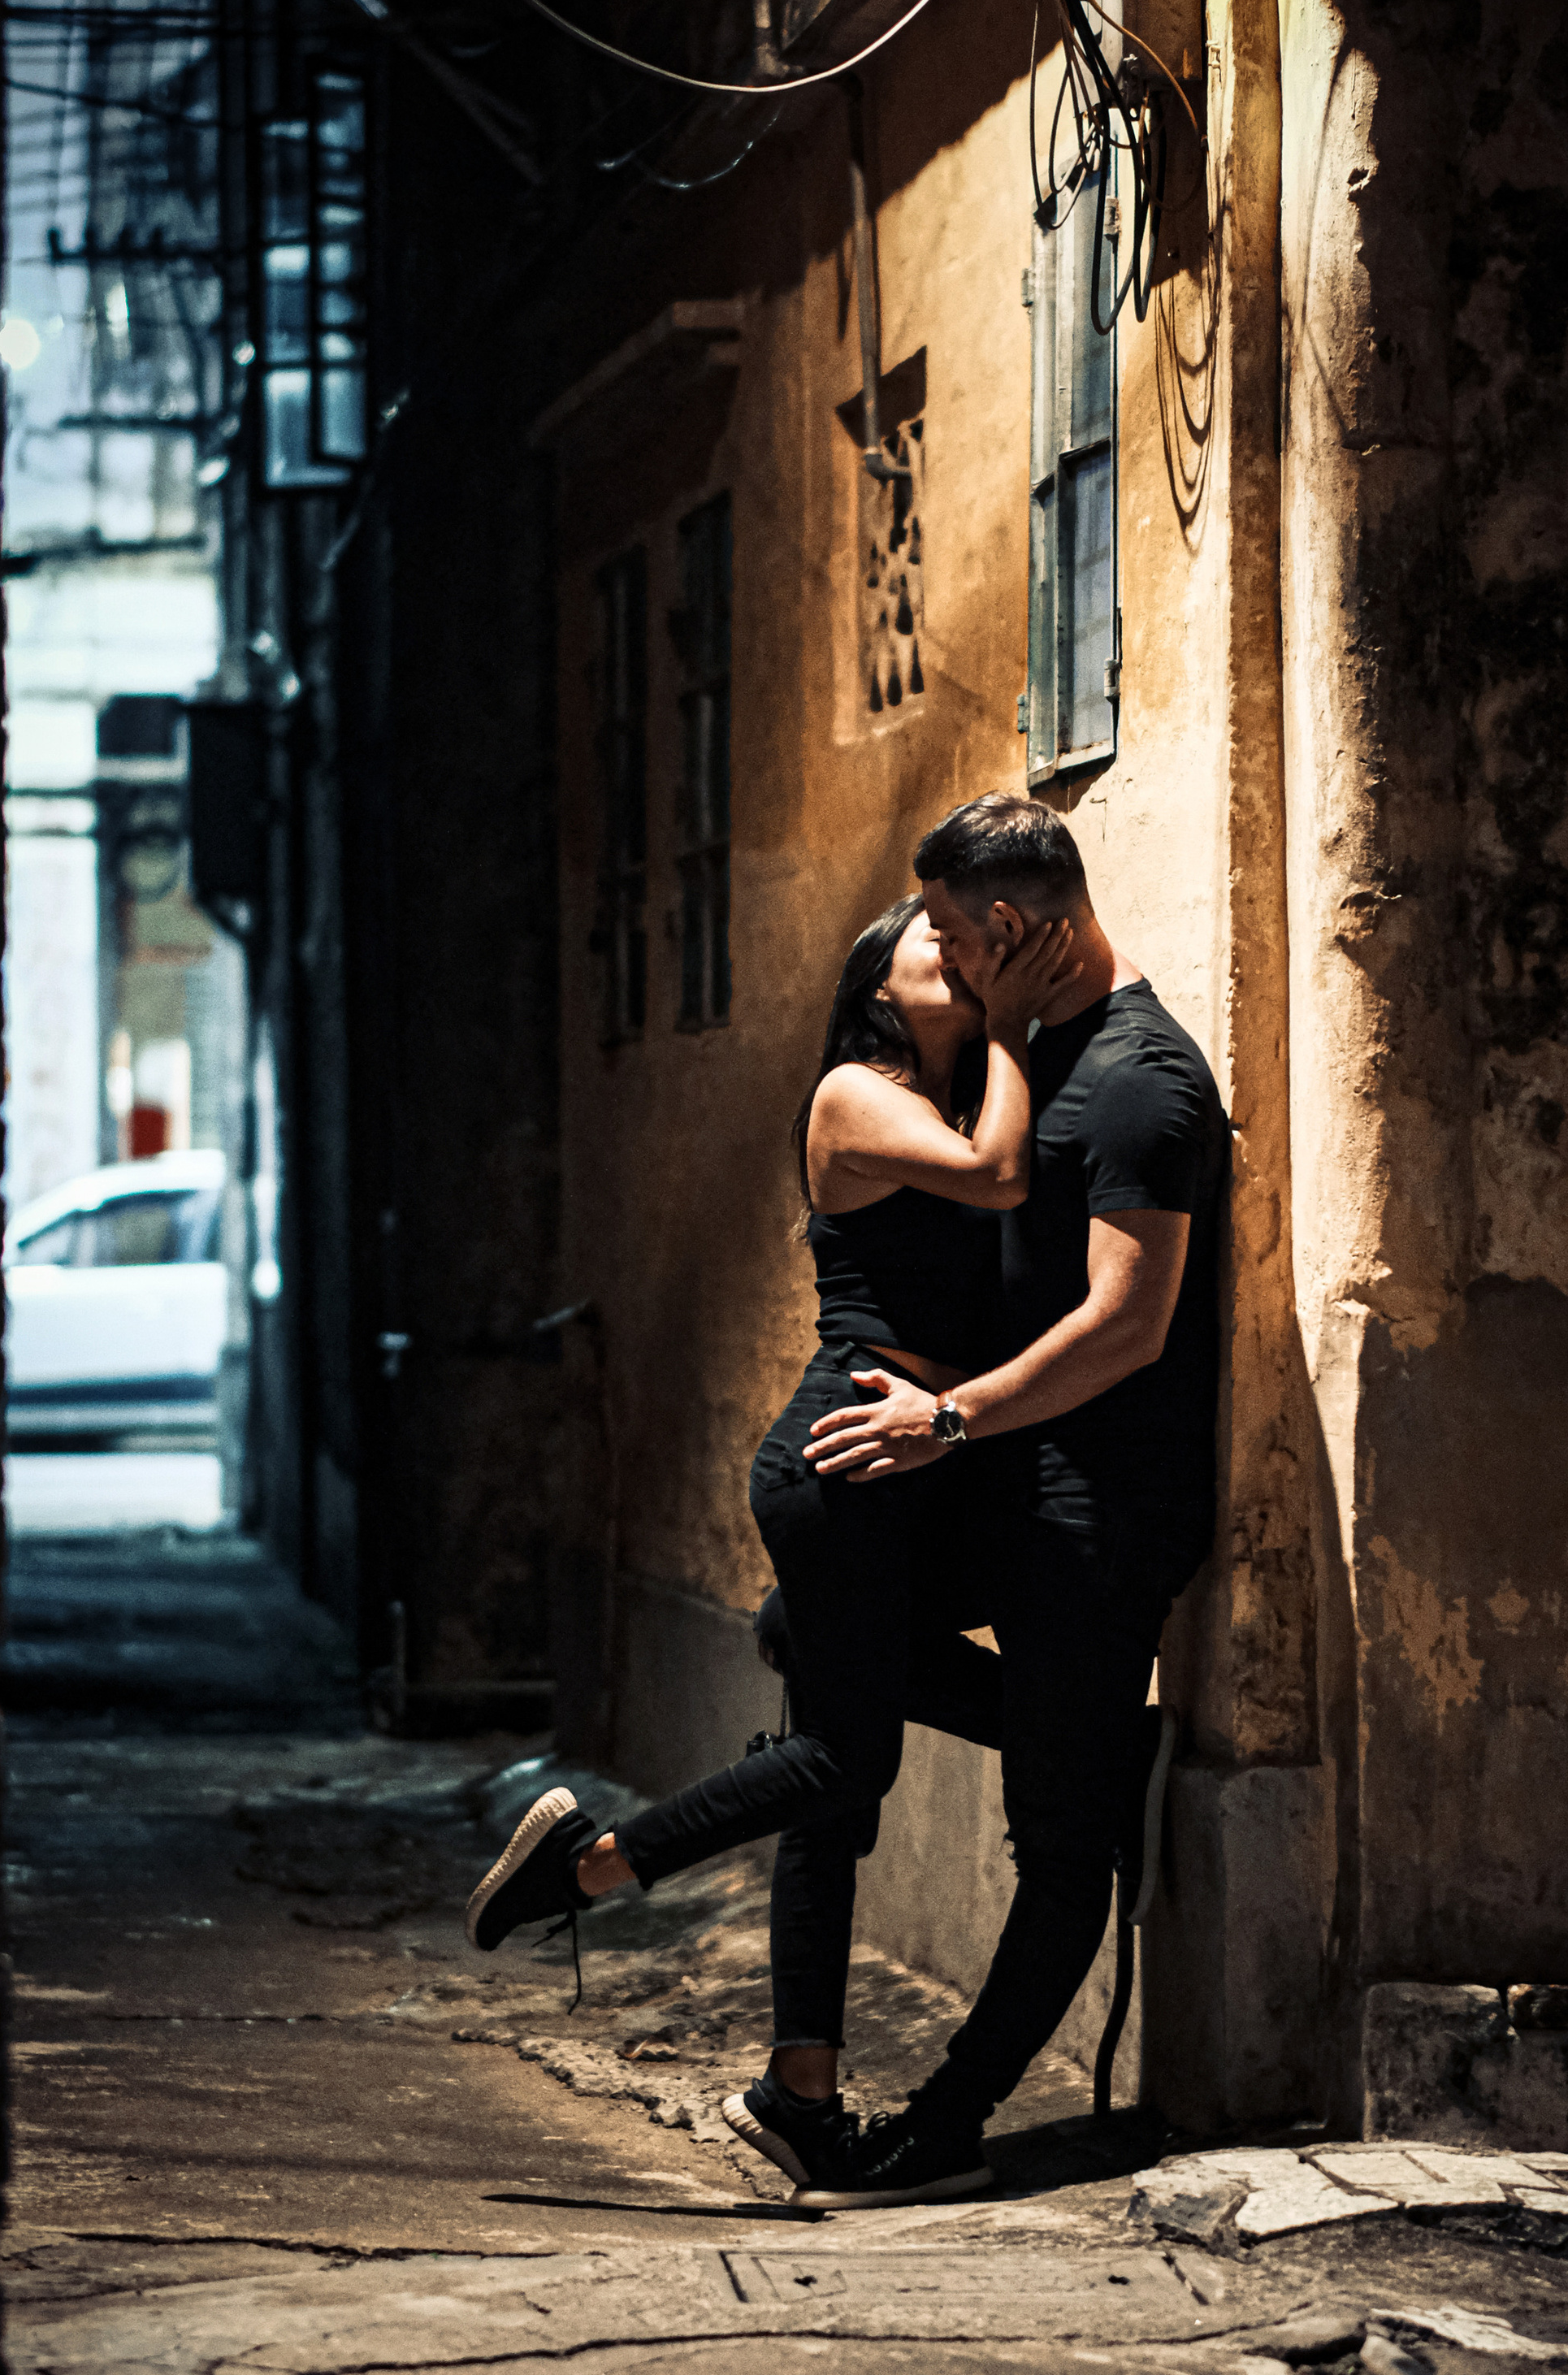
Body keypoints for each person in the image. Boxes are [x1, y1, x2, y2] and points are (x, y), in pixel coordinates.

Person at [461, 891, 1075, 2194]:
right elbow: (999, 1178)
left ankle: (799, 2097)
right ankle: (589, 1864)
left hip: (914, 1472)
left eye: (966, 935)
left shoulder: (968, 1095)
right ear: (876, 990)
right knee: (844, 1756)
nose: (957, 948)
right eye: (929, 939)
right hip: (843, 1461)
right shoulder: (856, 1093)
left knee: (836, 1774)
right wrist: (1017, 1022)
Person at [794, 791, 1228, 2208]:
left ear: (1003, 926)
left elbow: (1127, 1326)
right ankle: (1107, 1742)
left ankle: (950, 2122)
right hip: (1013, 1489)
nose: (930, 949)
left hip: (1098, 1510)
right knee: (811, 1635)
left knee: (1058, 1842)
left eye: (943, 928)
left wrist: (951, 1417)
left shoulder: (1142, 1082)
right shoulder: (1046, 1050)